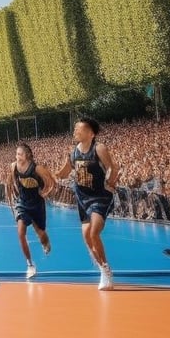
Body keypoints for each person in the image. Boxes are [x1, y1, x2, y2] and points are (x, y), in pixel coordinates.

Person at [54, 116, 118, 291]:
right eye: (75, 129)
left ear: (90, 133)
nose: (75, 131)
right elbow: (63, 173)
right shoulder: (73, 152)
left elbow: (113, 167)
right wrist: (48, 175)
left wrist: (110, 182)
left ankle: (106, 270)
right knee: (87, 238)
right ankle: (102, 267)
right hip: (82, 198)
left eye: (79, 129)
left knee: (94, 232)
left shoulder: (99, 148)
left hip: (99, 196)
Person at [6, 141, 55, 279]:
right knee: (21, 232)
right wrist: (10, 193)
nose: (17, 156)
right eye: (16, 154)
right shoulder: (13, 166)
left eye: (20, 154)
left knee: (41, 234)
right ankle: (30, 264)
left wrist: (45, 192)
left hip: (37, 203)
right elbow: (9, 181)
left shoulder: (37, 168)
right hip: (22, 202)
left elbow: (51, 182)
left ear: (27, 155)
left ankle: (46, 243)